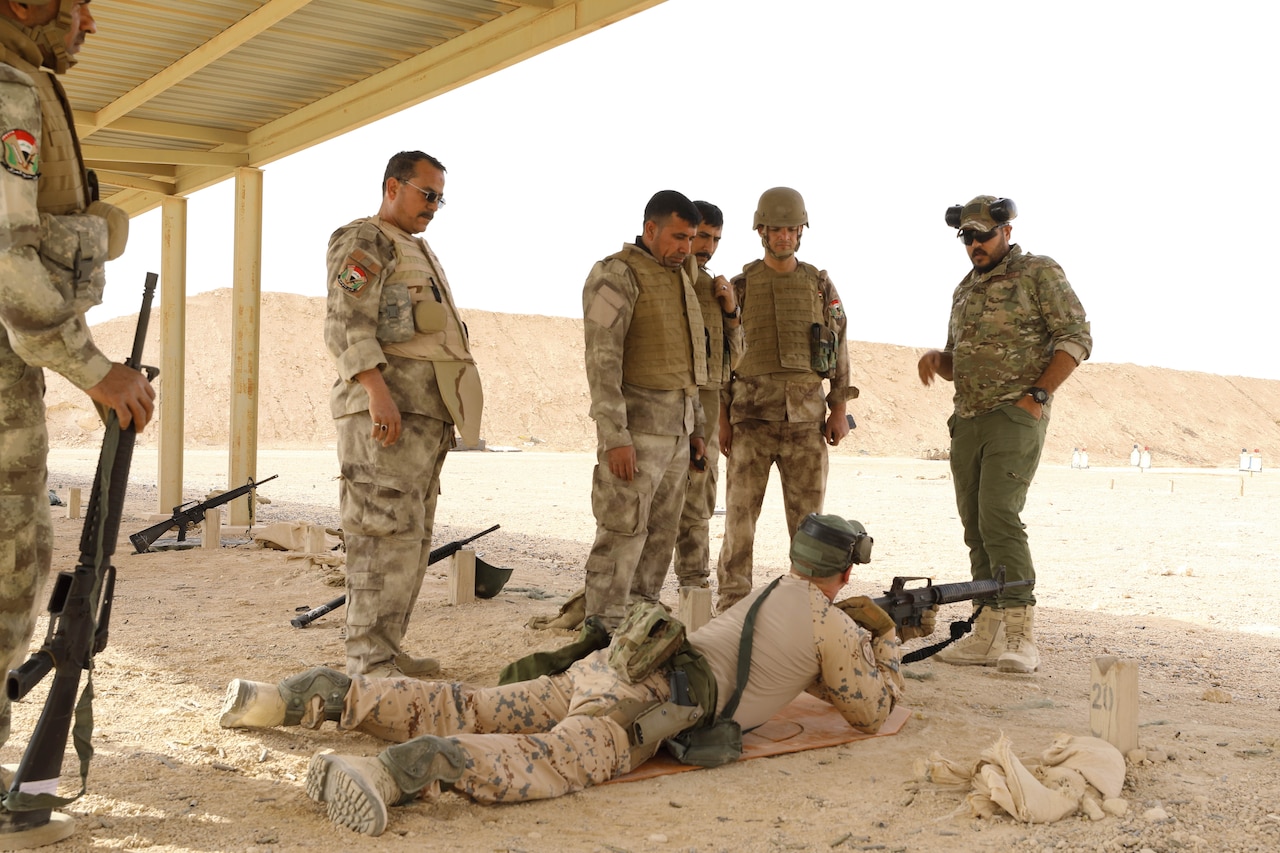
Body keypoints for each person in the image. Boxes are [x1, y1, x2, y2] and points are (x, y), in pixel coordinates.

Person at [219, 513, 903, 837]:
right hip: (644, 700)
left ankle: (307, 694)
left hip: (611, 663)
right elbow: (871, 709)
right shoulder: (830, 624)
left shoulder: (762, 591)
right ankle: (397, 770)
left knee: (476, 703)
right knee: (550, 760)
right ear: (845, 572)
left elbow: (777, 666)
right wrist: (891, 638)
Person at [0, 0, 156, 750]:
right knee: (8, 564)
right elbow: (5, 258)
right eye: (78, 8)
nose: (89, 26)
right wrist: (95, 371)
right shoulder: (6, 94)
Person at [325, 150, 483, 678]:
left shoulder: (414, 247)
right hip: (386, 411)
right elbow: (345, 321)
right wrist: (376, 390)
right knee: (378, 533)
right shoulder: (365, 240)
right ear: (393, 186)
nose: (435, 206)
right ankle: (367, 660)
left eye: (441, 197)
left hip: (423, 413)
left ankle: (387, 650)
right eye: (427, 194)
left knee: (411, 538)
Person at [917, 195, 1091, 674]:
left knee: (999, 515)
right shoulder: (964, 290)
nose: (974, 244)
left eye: (983, 235)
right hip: (968, 418)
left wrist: (1036, 395)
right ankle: (987, 631)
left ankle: (1021, 636)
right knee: (975, 524)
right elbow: (960, 360)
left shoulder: (1038, 272)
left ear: (1006, 231)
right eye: (966, 237)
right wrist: (939, 360)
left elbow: (1076, 338)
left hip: (1013, 416)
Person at [715, 187, 854, 613]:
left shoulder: (819, 285)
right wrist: (722, 419)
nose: (784, 236)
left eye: (791, 229)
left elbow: (839, 343)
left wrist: (839, 409)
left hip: (806, 422)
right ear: (761, 230)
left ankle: (808, 607)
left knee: (808, 527)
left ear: (801, 232)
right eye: (776, 229)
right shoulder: (738, 287)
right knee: (739, 524)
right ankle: (732, 604)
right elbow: (722, 359)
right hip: (749, 420)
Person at [579, 191, 708, 632]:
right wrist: (614, 435)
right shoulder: (615, 276)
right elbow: (602, 359)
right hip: (637, 432)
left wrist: (697, 430)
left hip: (677, 431)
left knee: (661, 535)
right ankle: (601, 629)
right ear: (650, 230)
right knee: (621, 533)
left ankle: (639, 623)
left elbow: (688, 364)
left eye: (690, 239)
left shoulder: (679, 278)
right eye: (677, 237)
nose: (685, 248)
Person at [657, 200, 742, 592]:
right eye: (701, 236)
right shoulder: (662, 277)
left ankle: (693, 583)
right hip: (664, 399)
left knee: (698, 497)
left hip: (705, 401)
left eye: (714, 239)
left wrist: (730, 311)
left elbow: (735, 357)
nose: (707, 246)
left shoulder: (713, 287)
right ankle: (642, 592)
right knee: (655, 497)